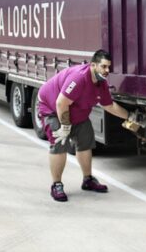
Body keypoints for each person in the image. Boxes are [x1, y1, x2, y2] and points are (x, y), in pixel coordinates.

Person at [37, 49, 131, 202]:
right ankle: (57, 185)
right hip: (53, 109)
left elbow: (109, 105)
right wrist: (65, 127)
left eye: (109, 67)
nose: (107, 70)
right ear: (93, 65)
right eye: (104, 66)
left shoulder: (101, 83)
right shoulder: (79, 78)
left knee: (85, 142)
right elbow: (61, 103)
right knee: (60, 143)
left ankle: (88, 180)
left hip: (77, 112)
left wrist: (130, 116)